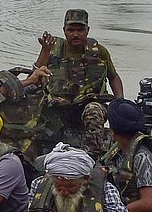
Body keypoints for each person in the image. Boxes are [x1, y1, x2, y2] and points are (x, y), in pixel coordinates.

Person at [33, 9, 125, 157]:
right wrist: (45, 51)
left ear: (87, 30)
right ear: (64, 31)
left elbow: (113, 77)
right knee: (37, 109)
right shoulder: (51, 50)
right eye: (71, 30)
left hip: (89, 104)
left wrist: (120, 102)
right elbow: (34, 77)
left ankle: (90, 157)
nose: (75, 34)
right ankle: (39, 154)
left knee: (93, 110)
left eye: (80, 30)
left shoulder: (100, 52)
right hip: (59, 105)